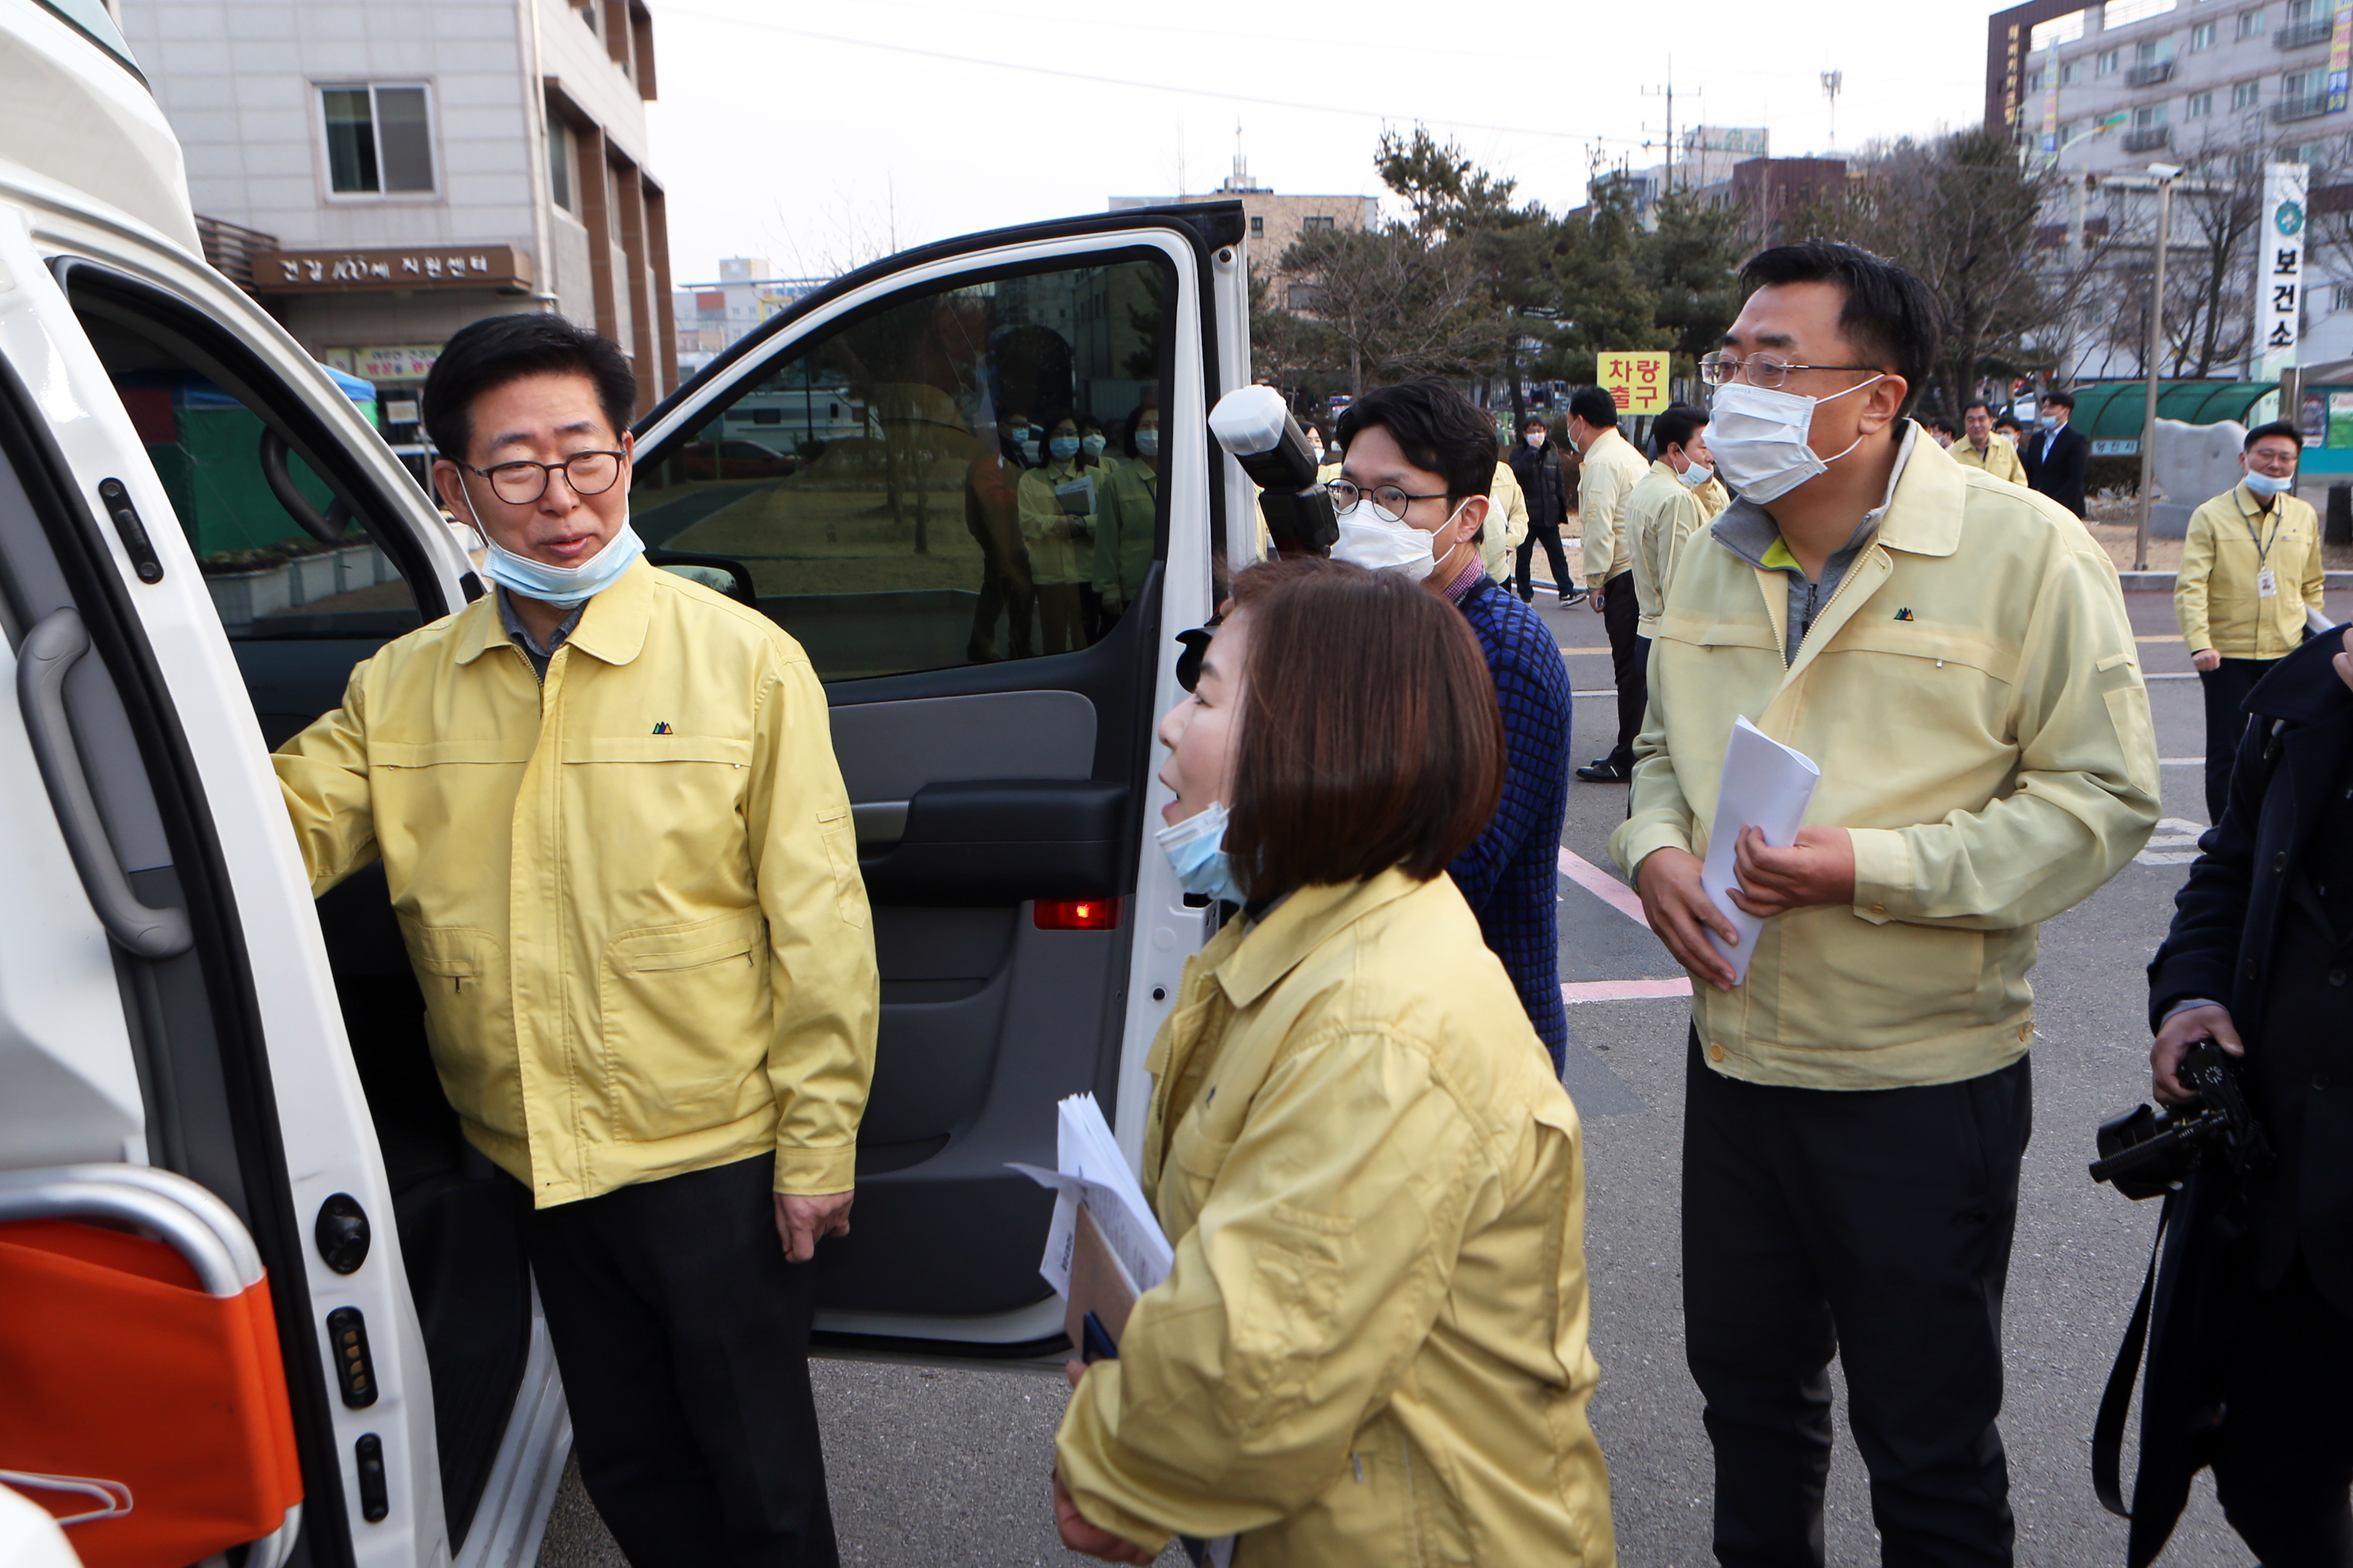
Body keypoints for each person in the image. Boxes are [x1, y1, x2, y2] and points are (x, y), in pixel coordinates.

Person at [274, 314, 878, 1566]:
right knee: (631, 1466)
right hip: (530, 1156)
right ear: (453, 487)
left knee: (761, 1482)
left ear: (630, 454)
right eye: (515, 468)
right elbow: (268, 832)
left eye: (585, 457)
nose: (561, 500)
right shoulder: (403, 686)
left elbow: (820, 920)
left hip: (713, 1152)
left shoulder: (745, 664)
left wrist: (818, 1140)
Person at [1612, 242, 2158, 1568]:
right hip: (1737, 1063)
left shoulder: (2023, 550)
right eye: (1727, 361)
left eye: (1774, 364)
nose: (1735, 386)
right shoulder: (1705, 544)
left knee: (1926, 1449)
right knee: (1750, 1413)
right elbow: (1658, 760)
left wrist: (1870, 866)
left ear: (1877, 399)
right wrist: (1651, 851)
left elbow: (2101, 800)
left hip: (1923, 1081)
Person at [1050, 558, 1615, 1566]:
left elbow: (1261, 1369)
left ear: (1313, 737)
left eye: (1207, 694)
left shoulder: (1377, 1028)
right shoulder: (1303, 938)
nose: (1173, 726)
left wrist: (1112, 1466)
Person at [2137, 626, 2353, 1568]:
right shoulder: (2304, 701)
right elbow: (2224, 870)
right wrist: (2193, 995)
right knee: (2269, 1482)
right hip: (2289, 1196)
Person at [1330, 377, 1575, 1068]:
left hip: (1477, 1043)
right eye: (1350, 493)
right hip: (1377, 1019)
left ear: (1468, 517)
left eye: (1394, 497)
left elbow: (1449, 870)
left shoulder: (1504, 649)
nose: (1362, 518)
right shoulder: (1377, 620)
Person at [2176, 420, 2328, 823]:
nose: (2275, 464)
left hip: (2286, 654)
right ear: (2245, 459)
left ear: (2295, 464)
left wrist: (2310, 644)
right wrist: (2200, 643)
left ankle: (2273, 830)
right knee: (2228, 751)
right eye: (2266, 454)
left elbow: (2312, 583)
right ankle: (2226, 839)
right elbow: (2191, 586)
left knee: (2285, 748)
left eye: (2285, 458)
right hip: (2227, 656)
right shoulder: (2211, 515)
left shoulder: (2303, 515)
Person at [1568, 386, 1652, 784]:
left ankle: (1626, 756)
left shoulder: (1601, 461)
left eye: (1570, 422)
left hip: (1622, 574)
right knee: (1642, 669)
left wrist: (1594, 581)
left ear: (1580, 421)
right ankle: (1641, 749)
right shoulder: (1630, 454)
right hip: (1643, 573)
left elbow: (1599, 526)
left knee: (1628, 671)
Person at [1625, 404, 1715, 661]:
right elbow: (1679, 583)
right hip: (1674, 640)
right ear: (1675, 450)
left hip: (1649, 632)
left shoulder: (1648, 486)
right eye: (1704, 447)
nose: (1710, 457)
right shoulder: (1676, 498)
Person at [1019, 412, 1103, 654]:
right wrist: (1059, 524)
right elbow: (1027, 523)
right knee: (1053, 643)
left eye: (1071, 433)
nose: (1065, 439)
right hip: (1050, 576)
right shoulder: (1030, 480)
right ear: (1047, 439)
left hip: (1087, 574)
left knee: (1086, 643)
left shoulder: (1097, 477)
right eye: (1058, 433)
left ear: (1079, 439)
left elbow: (1109, 521)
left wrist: (1082, 524)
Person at [966, 414, 1036, 662]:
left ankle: (1005, 646)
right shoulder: (990, 460)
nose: (1022, 430)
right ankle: (989, 647)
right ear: (1001, 428)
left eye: (1025, 425)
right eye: (1016, 425)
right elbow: (990, 500)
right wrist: (1027, 496)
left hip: (1013, 537)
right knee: (1006, 592)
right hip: (1000, 538)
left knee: (1009, 593)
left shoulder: (1012, 455)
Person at [1093, 402, 1160, 621]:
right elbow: (1106, 540)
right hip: (1134, 589)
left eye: (1159, 425)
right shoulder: (1116, 482)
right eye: (1145, 426)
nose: (1152, 432)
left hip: (1179, 587)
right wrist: (1109, 589)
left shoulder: (1183, 476)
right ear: (1133, 433)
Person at [1508, 413, 1581, 605]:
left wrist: (1561, 510)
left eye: (1539, 430)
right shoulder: (1518, 454)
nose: (1536, 434)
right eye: (1532, 431)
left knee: (1557, 554)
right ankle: (1525, 594)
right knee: (1524, 557)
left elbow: (1558, 484)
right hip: (1527, 516)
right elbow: (1516, 473)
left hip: (1549, 515)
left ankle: (1566, 590)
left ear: (1545, 432)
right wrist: (1531, 452)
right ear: (1524, 433)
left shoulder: (1552, 454)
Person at [2024, 388, 2091, 517]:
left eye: (2052, 407)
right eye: (2044, 407)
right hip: (2037, 506)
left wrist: (2054, 503)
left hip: (2066, 507)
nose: (2045, 411)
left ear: (2065, 411)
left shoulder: (2076, 440)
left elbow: (2075, 478)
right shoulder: (2037, 439)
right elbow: (2030, 472)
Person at [1484, 442, 1531, 582]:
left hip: (1500, 572)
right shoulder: (1452, 472)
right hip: (1464, 572)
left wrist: (1510, 540)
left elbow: (1519, 513)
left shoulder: (1504, 471)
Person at [1952, 400, 2029, 486]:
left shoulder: (2006, 446)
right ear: (1965, 423)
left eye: (1981, 419)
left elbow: (2020, 481)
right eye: (1971, 420)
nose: (1977, 425)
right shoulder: (1954, 453)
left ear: (1991, 422)